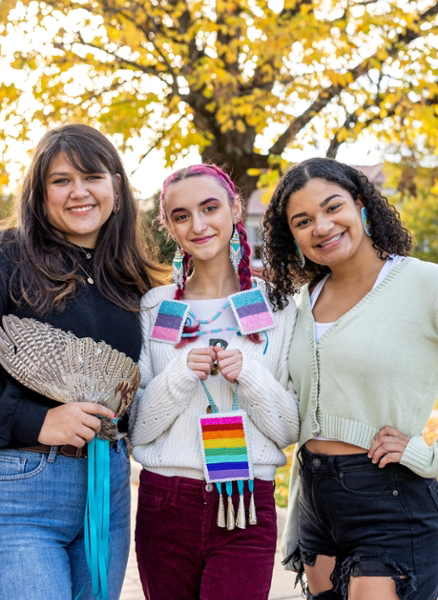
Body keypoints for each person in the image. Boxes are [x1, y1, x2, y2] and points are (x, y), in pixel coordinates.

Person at [261, 158, 438, 600]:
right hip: (315, 499)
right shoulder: (300, 301)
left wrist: (436, 455)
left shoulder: (430, 286)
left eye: (333, 207)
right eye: (303, 220)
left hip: (388, 497)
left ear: (361, 205)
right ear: (291, 236)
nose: (322, 226)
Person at [0, 124, 159, 600]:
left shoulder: (130, 279)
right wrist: (37, 420)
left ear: (117, 190)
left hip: (107, 488)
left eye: (93, 176)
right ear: (39, 193)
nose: (79, 192)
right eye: (61, 180)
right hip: (14, 490)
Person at [129, 164, 300, 600]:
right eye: (182, 215)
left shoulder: (277, 305)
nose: (198, 225)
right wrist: (181, 373)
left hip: (245, 502)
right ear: (168, 225)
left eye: (210, 208)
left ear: (235, 209)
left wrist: (252, 377)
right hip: (165, 504)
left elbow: (288, 430)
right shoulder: (156, 306)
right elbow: (138, 429)